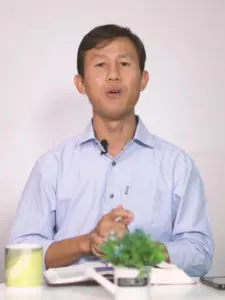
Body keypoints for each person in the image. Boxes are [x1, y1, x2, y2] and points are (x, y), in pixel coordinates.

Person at [9, 24, 213, 277]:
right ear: (80, 83)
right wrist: (87, 242)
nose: (113, 75)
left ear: (144, 79)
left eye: (124, 64)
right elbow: (20, 256)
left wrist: (139, 249)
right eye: (100, 65)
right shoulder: (52, 165)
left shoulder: (177, 165)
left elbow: (200, 253)